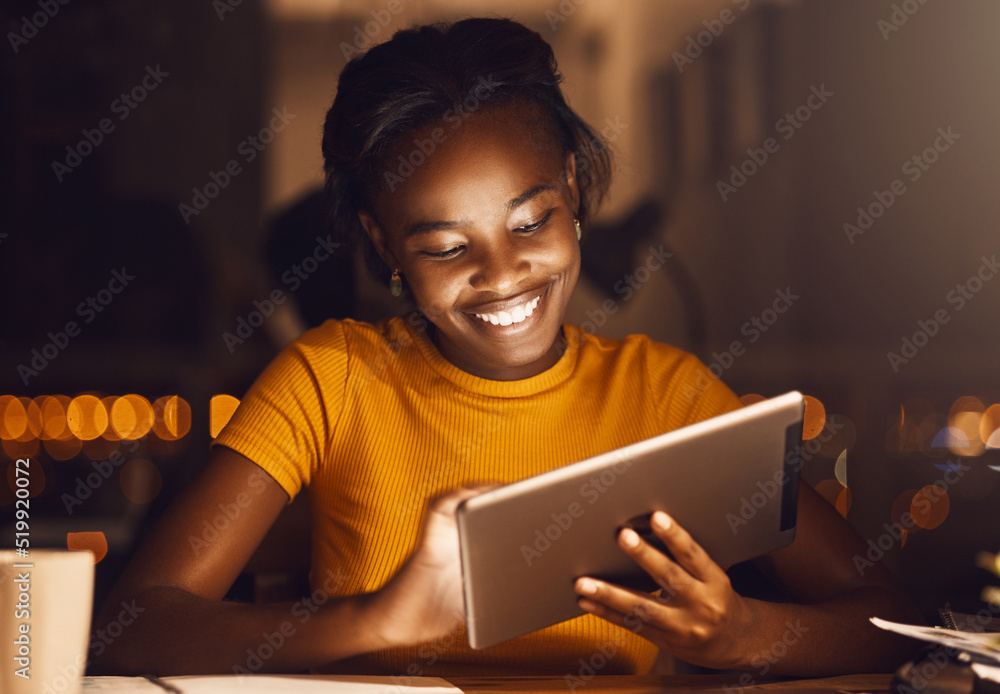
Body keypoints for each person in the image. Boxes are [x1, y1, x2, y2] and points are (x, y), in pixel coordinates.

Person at [93, 17, 923, 677]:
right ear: (384, 247)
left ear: (570, 188)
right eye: (446, 247)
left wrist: (746, 634)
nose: (503, 275)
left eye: (530, 223)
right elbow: (131, 630)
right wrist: (376, 619)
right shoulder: (330, 377)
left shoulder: (665, 395)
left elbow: (888, 618)